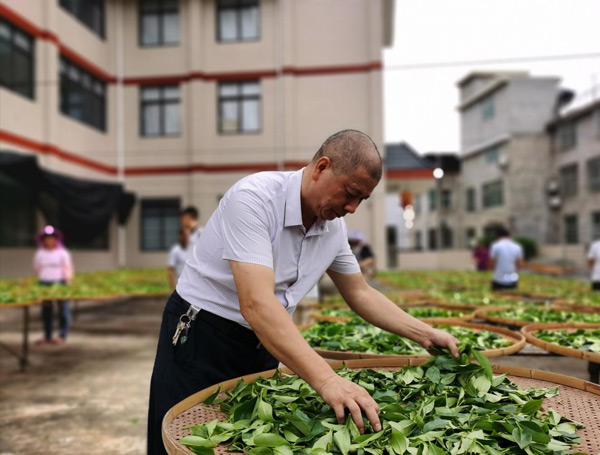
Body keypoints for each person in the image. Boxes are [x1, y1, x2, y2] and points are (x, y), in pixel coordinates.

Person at [147, 130, 459, 455]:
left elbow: (360, 293)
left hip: (267, 341)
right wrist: (327, 381)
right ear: (321, 167)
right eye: (350, 193)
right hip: (202, 339)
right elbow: (256, 303)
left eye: (361, 200)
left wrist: (425, 333)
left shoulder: (333, 228)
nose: (352, 207)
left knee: (243, 440)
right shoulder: (254, 199)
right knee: (185, 440)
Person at [33, 225, 74, 345]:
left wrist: (68, 282)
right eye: (46, 238)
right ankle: (47, 336)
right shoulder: (40, 253)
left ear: (56, 239)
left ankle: (62, 335)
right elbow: (37, 268)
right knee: (47, 310)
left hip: (60, 282)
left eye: (51, 238)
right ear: (43, 240)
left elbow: (67, 268)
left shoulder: (62, 253)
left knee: (63, 310)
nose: (49, 240)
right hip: (44, 283)